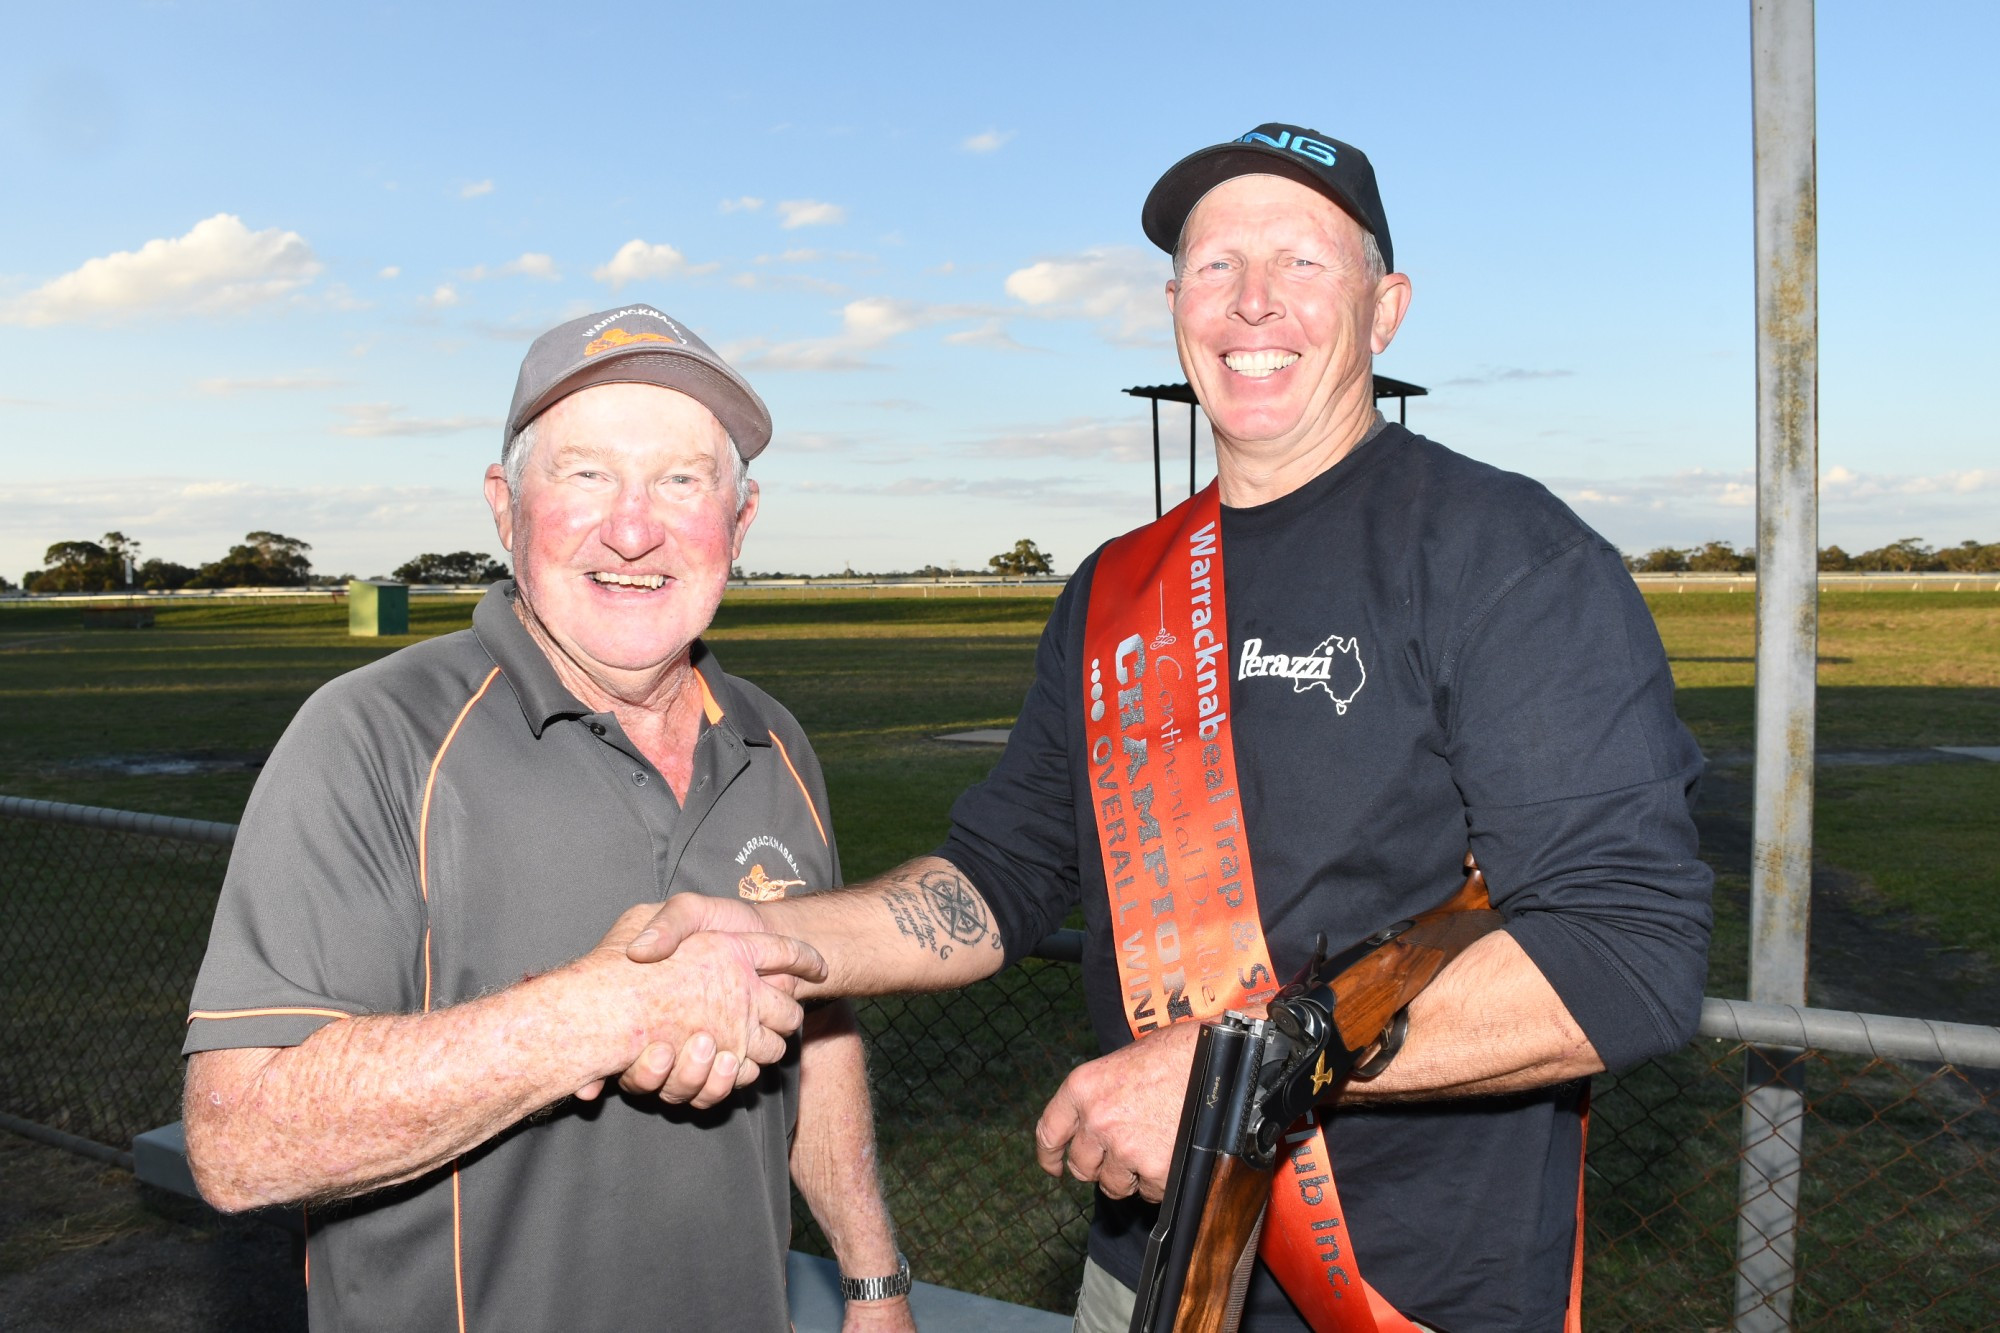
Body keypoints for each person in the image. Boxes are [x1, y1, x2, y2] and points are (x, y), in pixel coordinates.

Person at [630, 126, 1714, 1333]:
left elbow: (1628, 953)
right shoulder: (1115, 590)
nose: (1253, 301)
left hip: (1406, 1284)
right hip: (1150, 1262)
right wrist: (770, 940)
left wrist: (1232, 1080)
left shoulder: (1502, 554)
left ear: (1385, 307)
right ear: (1172, 307)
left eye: (1302, 263)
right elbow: (998, 876)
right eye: (1213, 267)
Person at [181, 304, 918, 1333]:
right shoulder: (374, 734)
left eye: (680, 479)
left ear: (739, 524)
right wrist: (601, 1011)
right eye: (583, 474)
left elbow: (819, 1026)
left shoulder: (773, 741)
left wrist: (871, 1279)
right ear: (504, 505)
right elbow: (241, 1136)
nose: (631, 526)